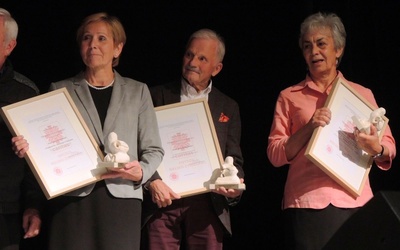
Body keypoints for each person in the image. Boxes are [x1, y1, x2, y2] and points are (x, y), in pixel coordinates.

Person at [12, 12, 164, 250]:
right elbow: (46, 146)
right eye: (86, 38)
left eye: (102, 38)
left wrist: (141, 173)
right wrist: (30, 149)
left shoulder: (138, 91)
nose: (93, 44)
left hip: (121, 200)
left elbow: (154, 149)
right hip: (72, 200)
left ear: (118, 48)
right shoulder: (60, 89)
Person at [266, 12, 396, 250]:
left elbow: (388, 146)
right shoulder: (289, 96)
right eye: (307, 46)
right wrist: (309, 127)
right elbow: (275, 154)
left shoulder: (361, 95)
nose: (314, 51)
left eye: (321, 44)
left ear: (339, 50)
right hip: (307, 202)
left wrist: (374, 148)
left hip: (356, 202)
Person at [141, 28, 245, 250]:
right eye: (189, 55)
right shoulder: (154, 96)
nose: (192, 62)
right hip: (163, 200)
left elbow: (234, 158)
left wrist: (234, 187)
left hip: (208, 203)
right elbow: (141, 146)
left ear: (216, 68)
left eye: (202, 58)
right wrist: (152, 182)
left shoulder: (228, 106)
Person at [0, 8, 43, 250]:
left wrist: (33, 205)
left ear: (9, 46)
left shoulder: (24, 94)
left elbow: (35, 161)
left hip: (6, 214)